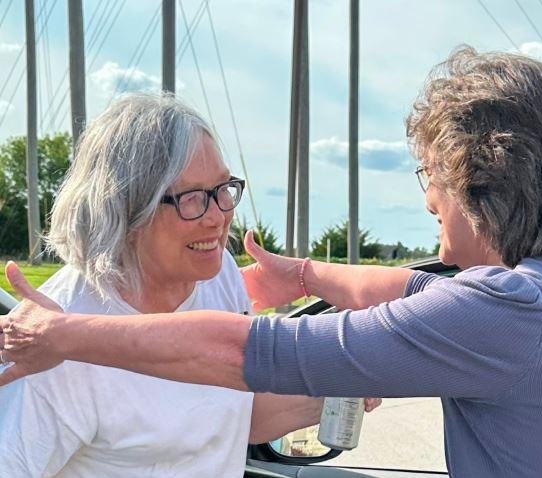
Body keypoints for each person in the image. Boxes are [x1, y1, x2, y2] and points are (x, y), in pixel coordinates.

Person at [1, 47, 542, 477]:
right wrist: (309, 279)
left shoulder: (511, 309)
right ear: (127, 206)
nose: (428, 197)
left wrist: (62, 338)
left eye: (430, 173)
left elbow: (245, 351)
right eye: (193, 198)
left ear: (480, 183)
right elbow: (409, 288)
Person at [0, 93, 378, 478]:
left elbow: (230, 418)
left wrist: (341, 380)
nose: (217, 217)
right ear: (126, 207)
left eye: (222, 189)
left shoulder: (218, 276)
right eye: (192, 198)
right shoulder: (53, 341)